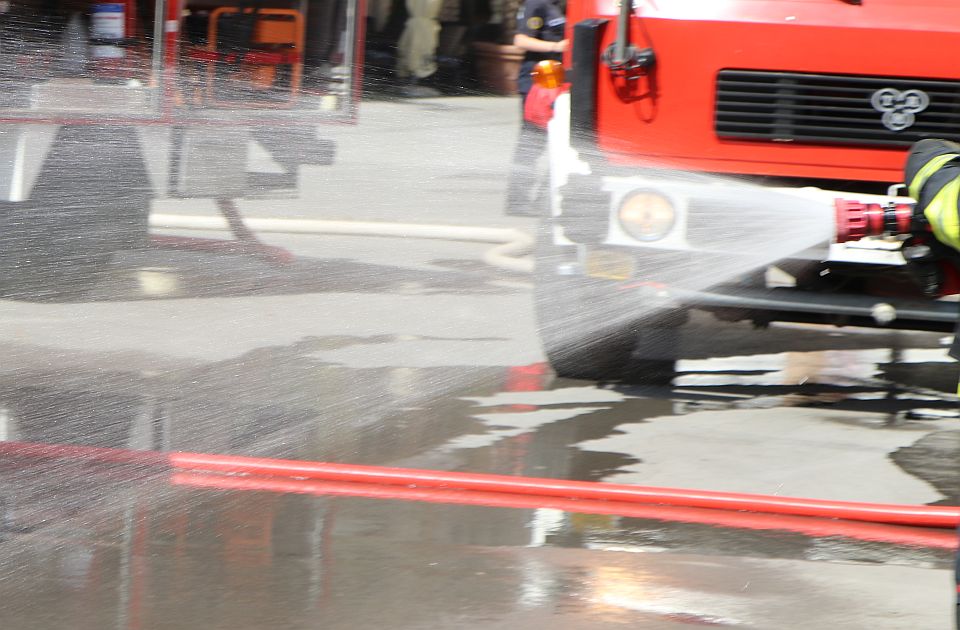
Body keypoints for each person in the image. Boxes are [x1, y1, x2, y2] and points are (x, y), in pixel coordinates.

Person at [503, 0, 567, 216]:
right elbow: (520, 39)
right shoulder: (538, 3)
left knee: (562, 143)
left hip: (561, 81)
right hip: (537, 83)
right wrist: (555, 47)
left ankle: (546, 200)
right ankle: (518, 201)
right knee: (532, 144)